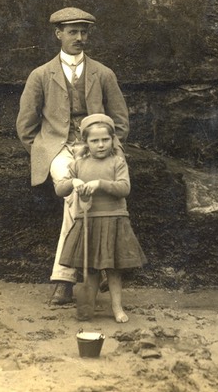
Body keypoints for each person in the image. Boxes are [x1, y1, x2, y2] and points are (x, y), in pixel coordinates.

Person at [16, 7, 129, 305]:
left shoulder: (103, 74)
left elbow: (120, 121)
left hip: (96, 151)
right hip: (58, 150)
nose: (79, 38)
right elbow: (25, 127)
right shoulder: (40, 75)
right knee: (75, 186)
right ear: (58, 34)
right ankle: (100, 268)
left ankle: (64, 280)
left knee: (77, 193)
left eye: (84, 32)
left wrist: (107, 151)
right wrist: (43, 153)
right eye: (72, 32)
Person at [55, 114, 146, 323]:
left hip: (113, 219)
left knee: (113, 269)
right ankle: (89, 306)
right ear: (85, 142)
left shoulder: (118, 162)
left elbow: (124, 188)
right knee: (92, 268)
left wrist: (100, 183)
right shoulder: (78, 165)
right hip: (88, 221)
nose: (100, 145)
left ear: (112, 139)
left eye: (105, 139)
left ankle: (117, 307)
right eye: (94, 141)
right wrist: (74, 182)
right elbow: (60, 188)